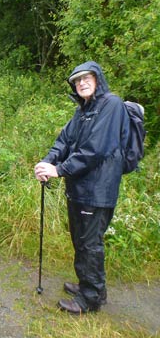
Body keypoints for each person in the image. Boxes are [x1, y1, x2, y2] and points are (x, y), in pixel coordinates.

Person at [34, 61, 129, 314]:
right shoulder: (83, 110)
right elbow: (64, 140)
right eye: (77, 80)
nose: (82, 83)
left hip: (98, 191)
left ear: (98, 79)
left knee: (90, 244)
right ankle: (88, 285)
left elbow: (95, 149)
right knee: (81, 240)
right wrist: (47, 161)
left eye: (87, 78)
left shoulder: (111, 105)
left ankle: (91, 298)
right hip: (79, 188)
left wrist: (59, 170)